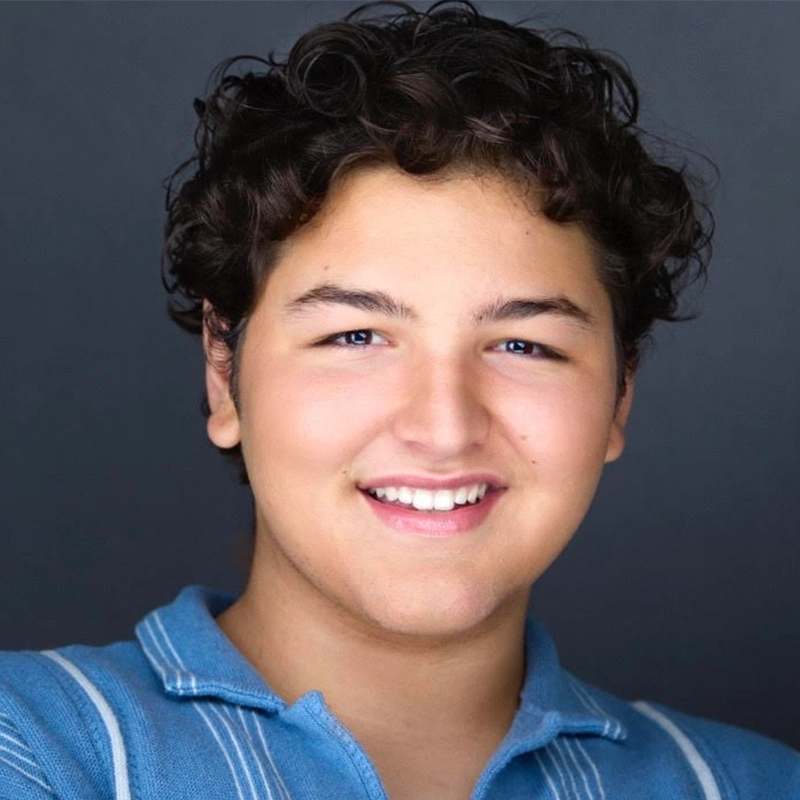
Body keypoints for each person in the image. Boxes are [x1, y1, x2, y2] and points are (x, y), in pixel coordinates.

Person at [1, 2, 798, 798]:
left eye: (524, 346)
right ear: (223, 369)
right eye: (355, 337)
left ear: (620, 393)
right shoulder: (36, 748)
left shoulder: (750, 785)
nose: (442, 426)